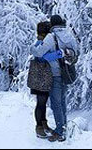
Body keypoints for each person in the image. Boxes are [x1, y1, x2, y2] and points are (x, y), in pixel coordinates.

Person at [31, 14, 79, 142]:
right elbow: (76, 53)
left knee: (56, 104)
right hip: (66, 72)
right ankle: (63, 127)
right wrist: (63, 54)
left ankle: (59, 131)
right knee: (62, 101)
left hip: (55, 74)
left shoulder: (51, 37)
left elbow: (38, 52)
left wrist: (36, 47)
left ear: (52, 25)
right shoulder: (69, 35)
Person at [31, 20, 53, 138]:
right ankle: (39, 126)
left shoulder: (42, 41)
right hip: (40, 76)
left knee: (42, 102)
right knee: (41, 102)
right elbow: (40, 56)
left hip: (42, 76)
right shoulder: (40, 42)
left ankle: (43, 124)